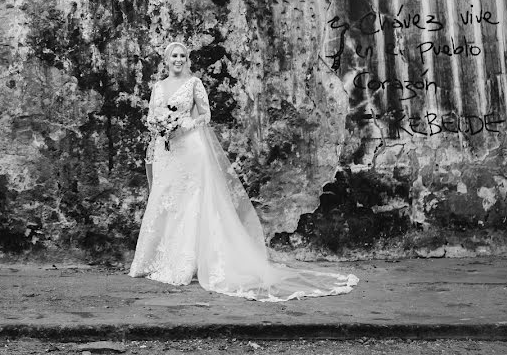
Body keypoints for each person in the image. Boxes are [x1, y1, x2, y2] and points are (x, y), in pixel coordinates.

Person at [129, 41, 359, 302]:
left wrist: (187, 122)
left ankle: (185, 263)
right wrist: (160, 126)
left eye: (182, 55)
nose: (178, 59)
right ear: (166, 60)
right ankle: (157, 260)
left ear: (187, 59)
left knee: (191, 203)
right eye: (174, 56)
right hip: (167, 151)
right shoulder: (158, 87)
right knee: (167, 200)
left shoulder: (194, 84)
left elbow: (206, 115)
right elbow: (151, 116)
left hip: (192, 149)